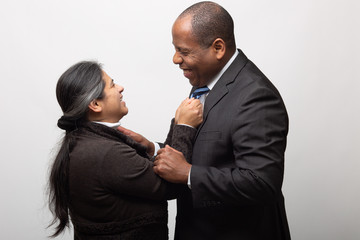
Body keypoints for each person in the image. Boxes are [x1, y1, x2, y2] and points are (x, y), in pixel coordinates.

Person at [120, 1, 291, 240]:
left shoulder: (256, 95)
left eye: (184, 51)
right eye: (175, 49)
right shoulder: (205, 82)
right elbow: (198, 148)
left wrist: (188, 174)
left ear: (218, 48)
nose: (175, 59)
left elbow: (262, 183)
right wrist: (154, 148)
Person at [47, 61, 203, 239]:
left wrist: (152, 147)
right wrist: (184, 125)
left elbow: (158, 172)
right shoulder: (103, 153)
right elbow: (171, 183)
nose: (121, 88)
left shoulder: (86, 142)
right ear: (95, 104)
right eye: (112, 85)